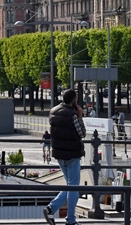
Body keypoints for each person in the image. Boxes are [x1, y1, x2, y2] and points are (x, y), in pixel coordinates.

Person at [43, 88, 86, 225]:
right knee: (73, 188)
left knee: (69, 185)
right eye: (77, 99)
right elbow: (82, 133)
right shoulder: (72, 115)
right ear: (73, 100)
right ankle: (71, 220)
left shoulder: (53, 111)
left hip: (59, 154)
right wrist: (80, 115)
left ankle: (51, 208)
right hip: (72, 154)